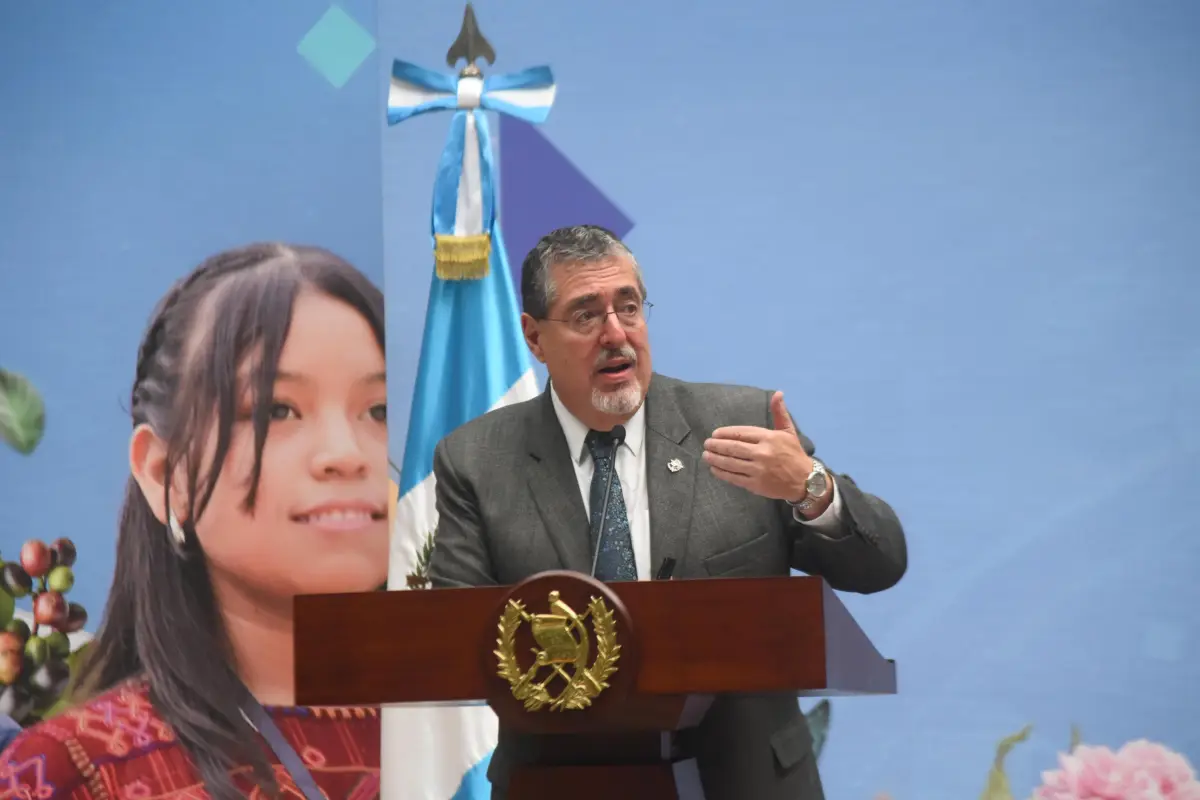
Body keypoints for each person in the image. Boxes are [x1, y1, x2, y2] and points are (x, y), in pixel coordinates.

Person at [429, 225, 908, 800]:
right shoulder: (478, 460)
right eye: (586, 315)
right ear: (535, 337)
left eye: (629, 307)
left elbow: (881, 564)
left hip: (746, 781)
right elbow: (451, 641)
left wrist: (809, 487)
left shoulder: (742, 425)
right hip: (559, 781)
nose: (616, 334)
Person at [0, 243, 390, 799]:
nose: (347, 454)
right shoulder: (68, 772)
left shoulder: (487, 737)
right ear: (165, 473)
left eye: (379, 410)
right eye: (278, 410)